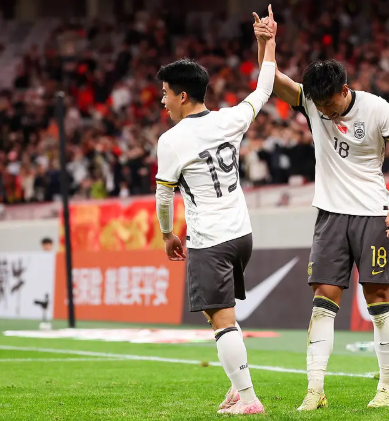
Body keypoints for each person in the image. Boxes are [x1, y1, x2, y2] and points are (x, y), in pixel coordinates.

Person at [254, 9, 389, 411]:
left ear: (345, 90)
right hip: (330, 215)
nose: (326, 113)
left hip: (372, 214)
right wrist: (266, 42)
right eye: (320, 107)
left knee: (378, 300)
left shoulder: (377, 109)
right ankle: (315, 390)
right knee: (323, 301)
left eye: (330, 105)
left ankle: (386, 388)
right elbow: (270, 80)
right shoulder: (312, 103)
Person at [154, 8, 278, 415]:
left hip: (210, 239)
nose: (163, 101)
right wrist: (267, 42)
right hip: (242, 234)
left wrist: (167, 234)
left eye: (166, 93)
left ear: (182, 96)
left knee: (221, 320)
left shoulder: (172, 140)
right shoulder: (230, 119)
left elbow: (164, 197)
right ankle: (237, 389)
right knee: (222, 318)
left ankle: (249, 399)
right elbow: (263, 88)